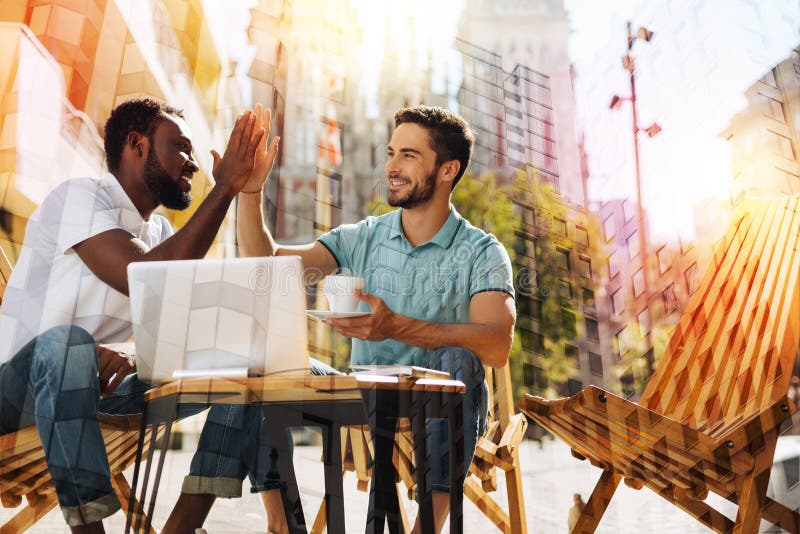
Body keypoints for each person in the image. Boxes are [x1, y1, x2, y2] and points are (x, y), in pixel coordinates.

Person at [0, 97, 278, 533]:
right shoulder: (77, 198)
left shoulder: (160, 234)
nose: (193, 164)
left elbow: (179, 332)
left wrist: (135, 356)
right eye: (181, 148)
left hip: (99, 397)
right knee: (67, 345)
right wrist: (224, 187)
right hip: (18, 396)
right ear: (137, 144)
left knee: (250, 364)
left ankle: (181, 528)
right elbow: (145, 277)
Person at [236, 105, 516, 533]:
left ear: (447, 170)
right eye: (390, 153)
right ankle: (281, 524)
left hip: (436, 407)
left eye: (409, 155)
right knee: (262, 361)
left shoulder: (481, 252)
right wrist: (251, 191)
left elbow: (496, 345)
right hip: (360, 402)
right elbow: (268, 267)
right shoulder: (361, 237)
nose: (391, 167)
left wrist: (398, 327)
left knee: (461, 360)